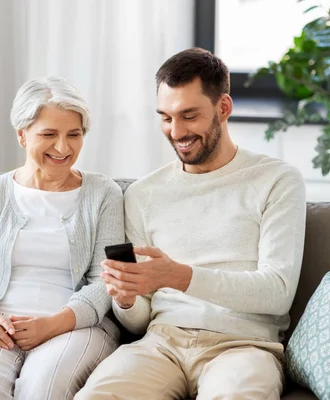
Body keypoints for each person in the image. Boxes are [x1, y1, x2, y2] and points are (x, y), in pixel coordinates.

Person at [76, 48, 306, 399]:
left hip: (243, 347)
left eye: (189, 115)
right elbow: (140, 320)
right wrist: (126, 300)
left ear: (223, 108)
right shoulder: (143, 194)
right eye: (166, 118)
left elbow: (277, 292)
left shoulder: (276, 180)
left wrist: (178, 276)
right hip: (160, 344)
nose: (176, 131)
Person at [0, 77, 124, 400]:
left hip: (72, 328)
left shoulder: (104, 194)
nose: (63, 148)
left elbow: (104, 284)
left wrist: (50, 325)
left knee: (45, 386)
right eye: (49, 134)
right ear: (22, 135)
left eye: (74, 135)